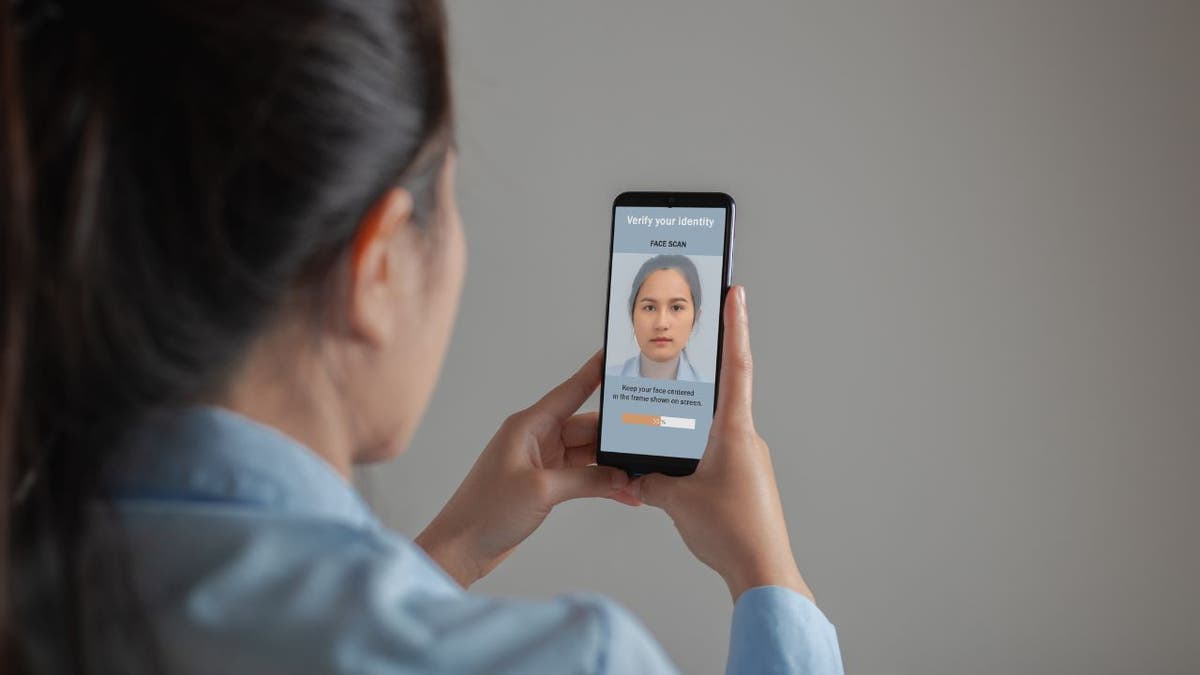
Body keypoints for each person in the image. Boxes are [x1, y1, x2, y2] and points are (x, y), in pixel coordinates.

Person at [0, 1, 843, 673]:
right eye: (451, 194)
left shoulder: (31, 593)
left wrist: (450, 552)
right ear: (377, 266)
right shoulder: (575, 661)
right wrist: (768, 577)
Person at [610, 255, 706, 382]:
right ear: (631, 313)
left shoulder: (710, 392)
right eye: (649, 308)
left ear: (695, 317)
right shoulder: (608, 380)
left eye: (676, 308)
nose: (661, 324)